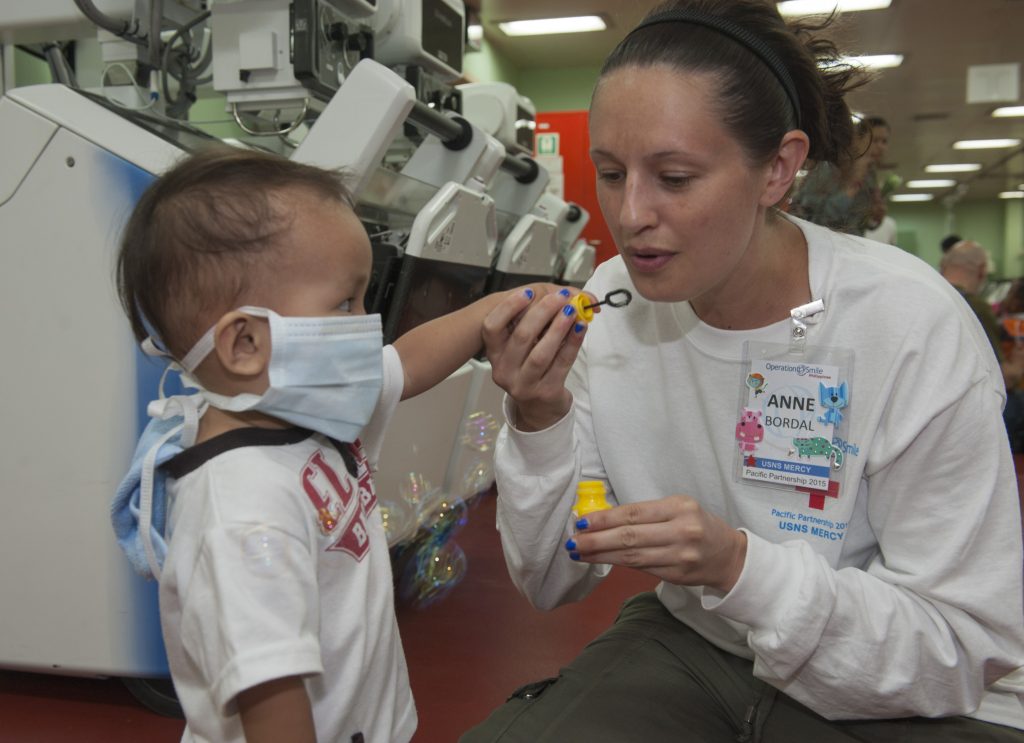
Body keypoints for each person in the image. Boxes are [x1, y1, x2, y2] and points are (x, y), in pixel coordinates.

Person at [466, 1, 1024, 741]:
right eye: (609, 173)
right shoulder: (612, 302)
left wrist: (740, 568)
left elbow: (960, 645)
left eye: (673, 176)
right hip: (704, 641)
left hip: (907, 688)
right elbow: (554, 576)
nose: (630, 215)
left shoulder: (908, 325)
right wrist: (539, 418)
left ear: (779, 171)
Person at [110, 146, 560, 743]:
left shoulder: (305, 408)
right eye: (345, 302)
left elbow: (409, 361)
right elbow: (270, 696)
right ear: (244, 343)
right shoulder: (242, 511)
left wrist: (494, 312)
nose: (366, 319)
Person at [790, 115, 889, 236]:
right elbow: (814, 217)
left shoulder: (870, 176)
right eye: (875, 140)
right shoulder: (829, 167)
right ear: (858, 139)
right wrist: (851, 187)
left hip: (851, 245)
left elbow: (857, 222)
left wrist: (874, 216)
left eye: (884, 141)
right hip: (818, 242)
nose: (881, 147)